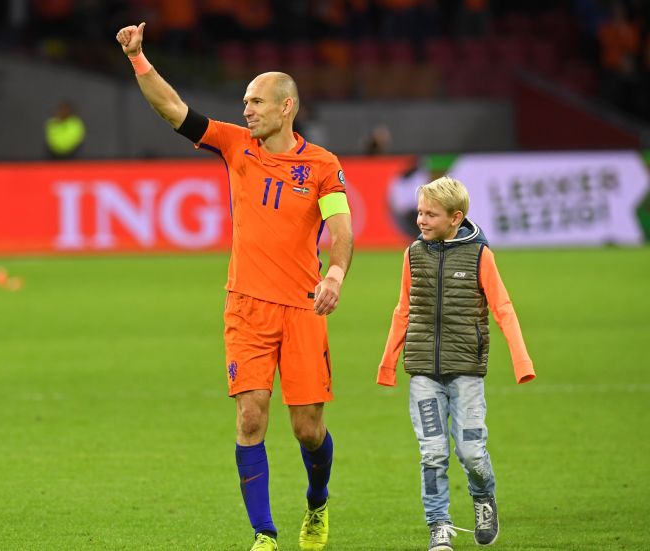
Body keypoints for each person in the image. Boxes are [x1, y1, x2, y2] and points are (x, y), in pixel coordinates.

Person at [116, 22, 354, 551]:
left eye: (256, 101)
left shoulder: (321, 166)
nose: (246, 109)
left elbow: (341, 228)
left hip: (301, 309)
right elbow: (172, 109)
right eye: (244, 100)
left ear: (286, 107)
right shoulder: (234, 145)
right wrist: (138, 59)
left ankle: (317, 501)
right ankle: (264, 534)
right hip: (245, 306)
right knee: (250, 415)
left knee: (307, 429)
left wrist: (335, 273)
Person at [376, 176, 535, 551]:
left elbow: (503, 308)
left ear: (455, 217)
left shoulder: (480, 255)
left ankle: (484, 499)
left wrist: (521, 360)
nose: (420, 220)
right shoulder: (413, 254)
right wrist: (388, 363)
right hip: (423, 374)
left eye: (430, 214)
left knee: (471, 452)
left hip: (466, 373)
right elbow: (404, 308)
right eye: (419, 212)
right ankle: (439, 526)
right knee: (432, 453)